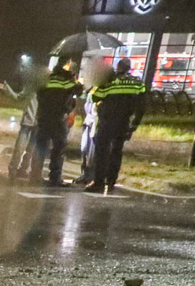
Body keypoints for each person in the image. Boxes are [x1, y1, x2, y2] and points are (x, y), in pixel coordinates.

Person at [86, 57, 147, 194]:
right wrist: (135, 124)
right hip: (124, 122)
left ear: (118, 67)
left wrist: (94, 85)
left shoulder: (110, 82)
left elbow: (96, 97)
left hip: (107, 121)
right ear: (129, 68)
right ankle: (111, 181)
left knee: (102, 151)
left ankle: (98, 182)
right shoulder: (137, 83)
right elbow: (142, 105)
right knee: (116, 151)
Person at [33, 61, 82, 186]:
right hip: (59, 118)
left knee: (41, 146)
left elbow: (39, 94)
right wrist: (77, 80)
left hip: (44, 116)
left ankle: (34, 175)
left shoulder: (47, 79)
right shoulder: (67, 81)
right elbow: (78, 91)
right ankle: (55, 177)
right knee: (59, 148)